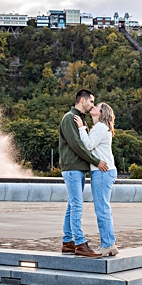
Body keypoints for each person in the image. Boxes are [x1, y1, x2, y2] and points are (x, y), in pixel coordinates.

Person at [57, 89, 102, 258]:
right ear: (82, 100)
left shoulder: (80, 119)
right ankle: (80, 244)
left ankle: (68, 242)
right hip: (72, 168)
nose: (92, 105)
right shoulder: (70, 118)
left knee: (72, 205)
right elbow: (76, 145)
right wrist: (96, 161)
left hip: (77, 168)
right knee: (77, 205)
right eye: (91, 101)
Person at [77, 102, 119, 257]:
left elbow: (87, 145)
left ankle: (108, 244)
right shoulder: (100, 128)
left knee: (102, 209)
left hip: (102, 172)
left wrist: (81, 128)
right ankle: (110, 244)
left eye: (96, 107)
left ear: (101, 113)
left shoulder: (101, 127)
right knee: (103, 208)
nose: (92, 108)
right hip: (104, 172)